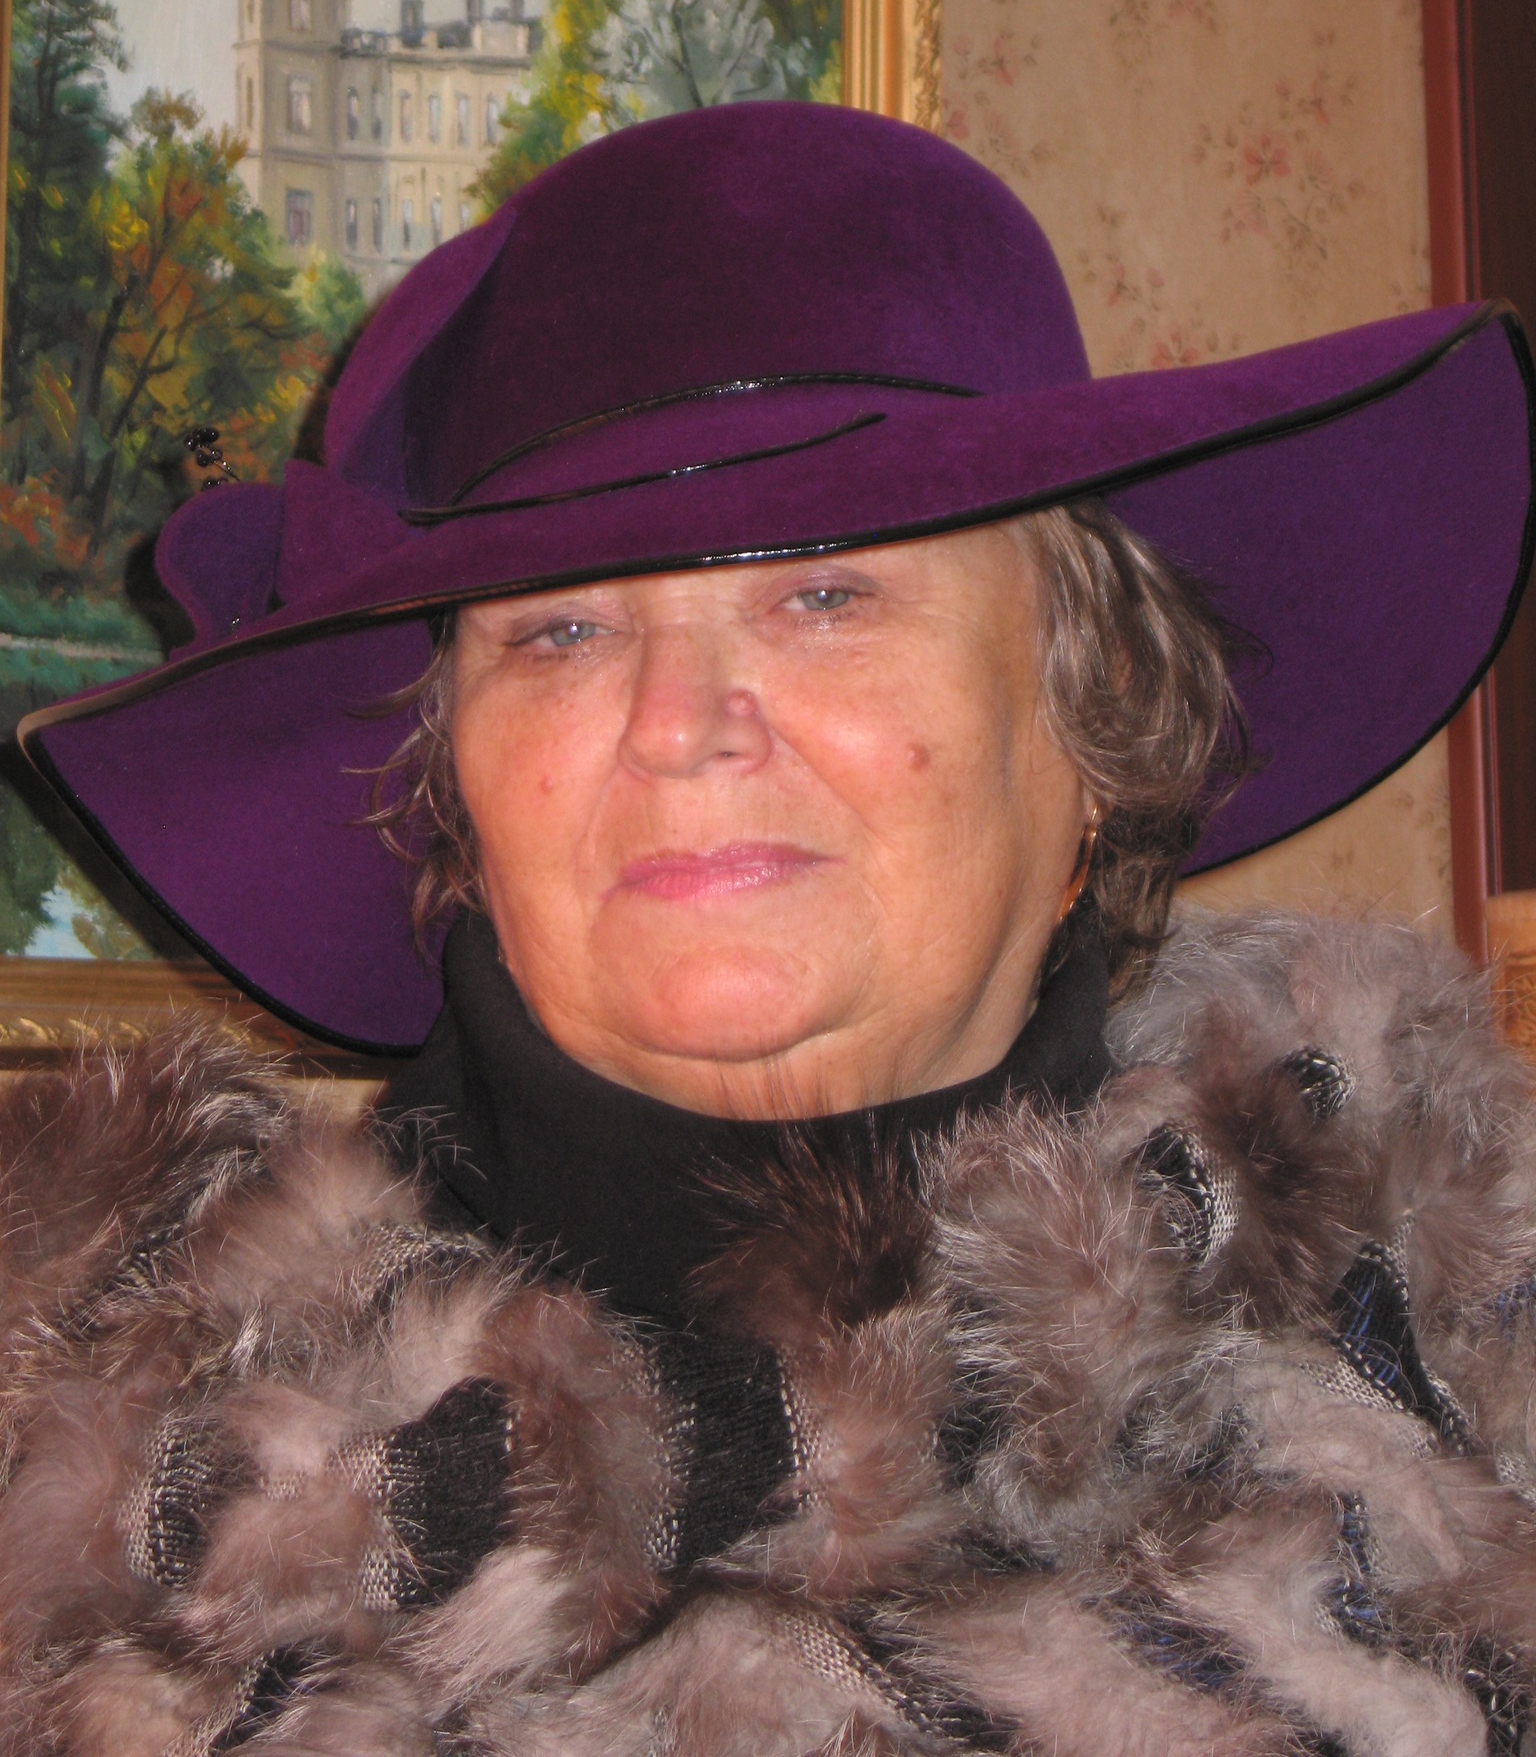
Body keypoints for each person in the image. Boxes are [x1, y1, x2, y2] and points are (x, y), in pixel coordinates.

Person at [7, 102, 1536, 1756]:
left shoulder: (1461, 1323)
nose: (679, 725)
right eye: (561, 631)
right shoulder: (85, 1456)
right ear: (456, 789)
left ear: (1097, 720)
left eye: (825, 591)